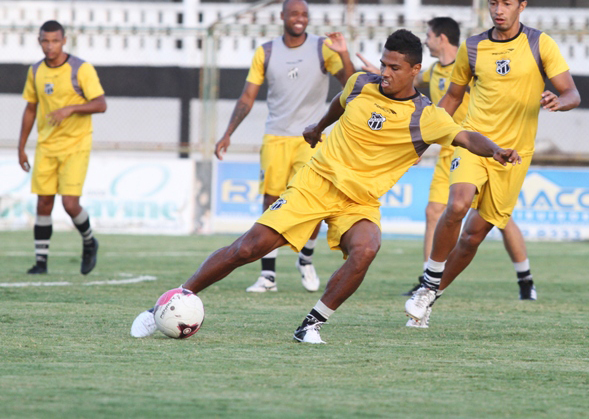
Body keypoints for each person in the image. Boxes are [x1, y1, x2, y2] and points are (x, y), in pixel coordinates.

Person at [130, 29, 520, 343]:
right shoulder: (360, 84)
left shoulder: (426, 116)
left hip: (360, 201)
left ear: (415, 69)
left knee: (367, 248)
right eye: (384, 63)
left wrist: (498, 150)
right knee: (247, 248)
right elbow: (340, 100)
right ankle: (167, 303)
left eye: (395, 67)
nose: (386, 72)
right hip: (316, 183)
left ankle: (310, 325)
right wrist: (319, 127)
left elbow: (467, 138)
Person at [405, 0, 581, 327]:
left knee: (472, 237)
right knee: (455, 204)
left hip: (514, 155)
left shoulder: (540, 44)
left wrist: (559, 102)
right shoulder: (473, 47)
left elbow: (572, 93)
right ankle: (427, 281)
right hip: (474, 143)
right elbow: (452, 98)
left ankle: (430, 296)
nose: (499, 11)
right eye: (493, 4)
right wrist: (425, 134)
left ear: (522, 6)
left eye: (506, 4)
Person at [214, 0, 355, 294]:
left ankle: (306, 258)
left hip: (312, 136)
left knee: (313, 201)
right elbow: (247, 97)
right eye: (293, 13)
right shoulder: (265, 52)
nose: (299, 17)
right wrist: (228, 133)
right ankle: (268, 277)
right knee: (270, 203)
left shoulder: (322, 47)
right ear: (282, 16)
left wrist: (343, 54)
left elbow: (349, 82)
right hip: (276, 137)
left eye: (304, 13)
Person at [404, 17, 537, 311]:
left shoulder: (476, 62)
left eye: (428, 35)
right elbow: (417, 87)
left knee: (495, 223)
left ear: (441, 38)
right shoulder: (434, 71)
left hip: (490, 148)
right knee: (442, 210)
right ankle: (427, 279)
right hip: (453, 151)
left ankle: (525, 279)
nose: (426, 40)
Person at [17, 20, 107, 275]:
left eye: (55, 41)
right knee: (44, 203)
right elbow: (30, 108)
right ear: (39, 41)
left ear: (64, 41)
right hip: (46, 145)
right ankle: (41, 263)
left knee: (69, 204)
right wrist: (21, 147)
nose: (50, 46)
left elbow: (101, 104)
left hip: (76, 145)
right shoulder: (35, 71)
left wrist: (71, 108)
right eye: (45, 41)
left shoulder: (81, 68)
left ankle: (89, 242)